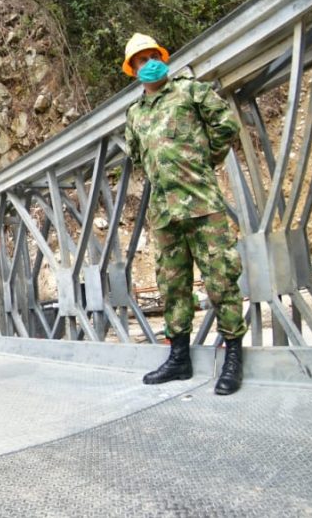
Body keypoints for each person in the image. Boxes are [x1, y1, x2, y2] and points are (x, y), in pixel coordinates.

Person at [122, 33, 245, 395]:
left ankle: (233, 357)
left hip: (202, 204)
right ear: (133, 70)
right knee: (173, 286)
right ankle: (179, 359)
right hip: (164, 214)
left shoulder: (190, 91)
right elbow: (136, 156)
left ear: (163, 57)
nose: (148, 63)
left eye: (152, 56)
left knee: (221, 278)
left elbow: (226, 126)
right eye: (140, 60)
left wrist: (204, 164)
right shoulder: (134, 114)